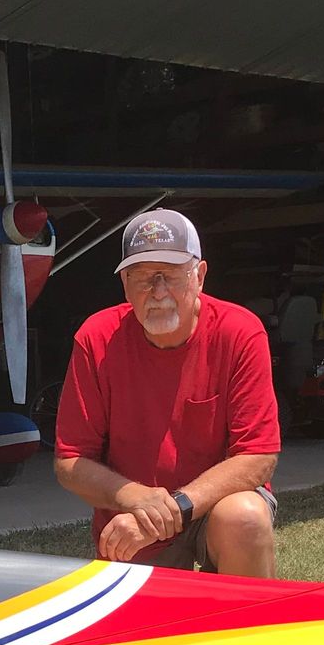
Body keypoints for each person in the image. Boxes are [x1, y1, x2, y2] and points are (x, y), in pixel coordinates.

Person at [52, 208, 281, 576]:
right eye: (144, 278)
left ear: (199, 276)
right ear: (125, 283)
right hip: (134, 516)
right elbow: (70, 462)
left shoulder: (240, 332)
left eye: (171, 276)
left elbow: (258, 456)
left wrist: (173, 509)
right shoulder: (96, 339)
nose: (158, 292)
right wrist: (134, 497)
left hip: (207, 505)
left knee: (244, 517)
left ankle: (247, 616)